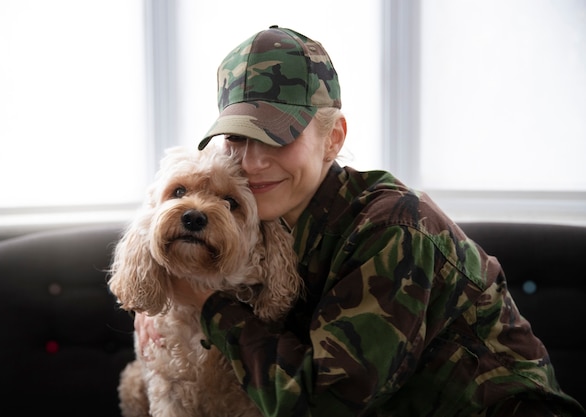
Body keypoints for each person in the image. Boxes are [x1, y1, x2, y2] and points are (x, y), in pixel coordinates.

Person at [136, 26, 586, 416]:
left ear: (333, 138)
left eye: (279, 135)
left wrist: (207, 304)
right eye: (237, 137)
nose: (252, 162)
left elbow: (323, 405)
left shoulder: (394, 230)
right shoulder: (271, 228)